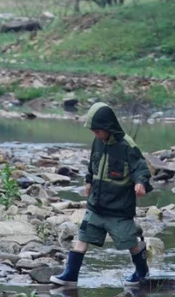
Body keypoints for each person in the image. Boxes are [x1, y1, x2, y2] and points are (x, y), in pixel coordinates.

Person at [52, 102, 152, 286]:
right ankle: (70, 275)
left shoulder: (126, 146)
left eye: (98, 131)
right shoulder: (98, 143)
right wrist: (89, 182)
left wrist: (140, 183)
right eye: (93, 131)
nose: (95, 134)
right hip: (96, 205)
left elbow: (140, 168)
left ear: (108, 127)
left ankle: (141, 271)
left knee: (130, 241)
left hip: (118, 207)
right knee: (83, 238)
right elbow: (93, 165)